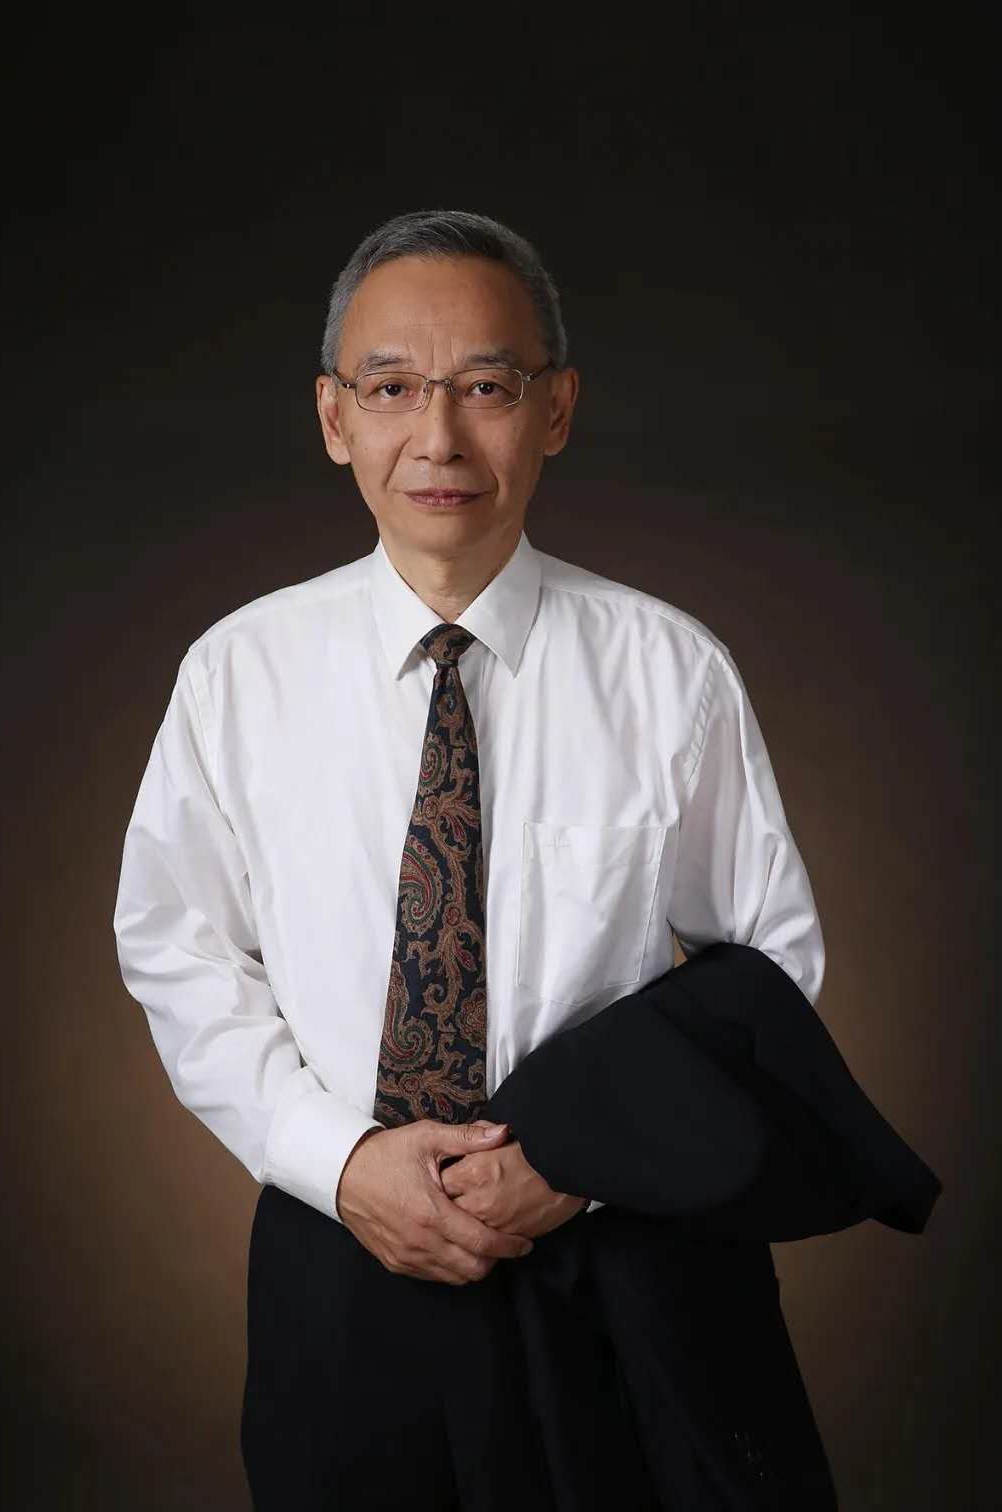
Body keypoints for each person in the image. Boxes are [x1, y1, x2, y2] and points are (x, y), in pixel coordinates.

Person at [112, 208, 831, 1509]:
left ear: (556, 409)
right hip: (341, 1251)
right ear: (334, 417)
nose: (438, 437)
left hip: (613, 1254)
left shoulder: (669, 673)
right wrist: (337, 1161)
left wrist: (578, 1154)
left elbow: (768, 967)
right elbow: (178, 949)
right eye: (392, 388)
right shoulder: (237, 675)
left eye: (486, 387)